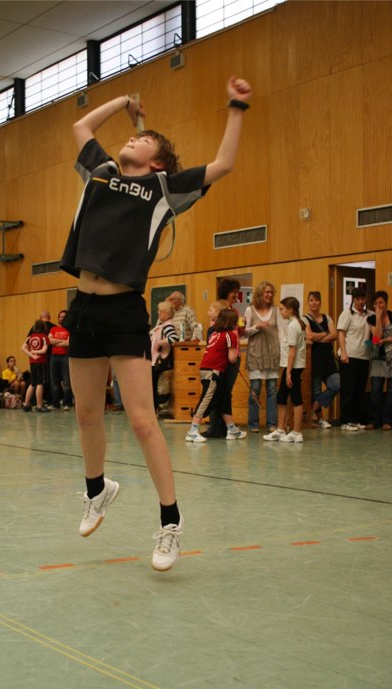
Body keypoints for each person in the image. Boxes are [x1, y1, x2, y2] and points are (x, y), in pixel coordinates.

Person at [59, 75, 252, 572]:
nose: (132, 138)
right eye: (134, 134)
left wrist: (236, 106)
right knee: (86, 413)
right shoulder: (101, 171)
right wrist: (124, 100)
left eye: (142, 139)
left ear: (158, 161)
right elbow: (81, 126)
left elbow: (224, 164)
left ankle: (170, 522)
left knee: (143, 420)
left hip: (123, 310)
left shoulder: (164, 188)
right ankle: (97, 490)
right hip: (83, 307)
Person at [185, 308, 246, 442]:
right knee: (206, 399)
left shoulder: (214, 334)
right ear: (232, 322)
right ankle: (193, 431)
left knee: (223, 398)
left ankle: (231, 429)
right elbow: (232, 359)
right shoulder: (230, 335)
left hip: (206, 369)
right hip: (214, 371)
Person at [263, 297, 307, 443]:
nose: (280, 312)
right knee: (282, 397)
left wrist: (288, 372)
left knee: (296, 398)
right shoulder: (294, 323)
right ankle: (281, 429)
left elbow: (292, 350)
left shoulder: (294, 325)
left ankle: (297, 432)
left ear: (290, 310)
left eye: (282, 309)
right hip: (291, 367)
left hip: (293, 368)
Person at [243, 281, 282, 432]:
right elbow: (245, 332)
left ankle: (272, 423)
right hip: (255, 354)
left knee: (272, 390)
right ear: (260, 293)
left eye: (271, 292)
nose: (269, 295)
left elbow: (281, 332)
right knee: (255, 389)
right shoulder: (250, 310)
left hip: (272, 354)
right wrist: (257, 327)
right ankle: (253, 424)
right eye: (267, 292)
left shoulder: (276, 310)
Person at [303, 291, 340, 428]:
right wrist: (325, 333)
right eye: (311, 300)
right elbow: (309, 336)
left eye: (316, 300)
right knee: (316, 390)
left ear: (320, 302)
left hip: (328, 358)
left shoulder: (327, 317)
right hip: (314, 358)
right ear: (308, 302)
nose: (314, 302)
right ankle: (320, 418)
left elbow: (335, 335)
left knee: (336, 385)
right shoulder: (305, 319)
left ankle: (316, 405)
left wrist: (319, 338)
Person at [336, 287, 371, 431]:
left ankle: (356, 419)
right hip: (349, 356)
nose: (361, 302)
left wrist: (373, 346)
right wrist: (343, 353)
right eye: (358, 299)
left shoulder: (370, 315)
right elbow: (341, 334)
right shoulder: (347, 314)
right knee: (348, 389)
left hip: (364, 356)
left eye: (363, 298)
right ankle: (345, 420)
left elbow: (373, 334)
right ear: (353, 300)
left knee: (359, 389)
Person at [366, 290, 392, 430]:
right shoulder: (371, 319)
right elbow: (376, 338)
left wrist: (388, 340)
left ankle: (387, 421)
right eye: (376, 303)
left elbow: (385, 338)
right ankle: (374, 420)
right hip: (378, 358)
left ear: (386, 303)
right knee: (376, 390)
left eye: (381, 302)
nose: (379, 305)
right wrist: (377, 318)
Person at [150, 300, 179, 413]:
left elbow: (174, 338)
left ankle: (155, 407)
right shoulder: (162, 325)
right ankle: (155, 407)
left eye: (161, 311)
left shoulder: (168, 326)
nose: (158, 313)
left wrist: (160, 343)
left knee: (153, 385)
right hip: (155, 359)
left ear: (167, 314)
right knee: (152, 384)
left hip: (160, 360)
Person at [21, 319, 50, 412]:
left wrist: (32, 354)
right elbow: (44, 350)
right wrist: (36, 352)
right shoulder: (44, 337)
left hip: (32, 363)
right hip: (41, 362)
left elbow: (23, 348)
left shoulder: (30, 337)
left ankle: (26, 404)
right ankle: (39, 405)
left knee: (32, 383)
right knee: (40, 384)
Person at [48, 310, 73, 410]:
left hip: (65, 357)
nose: (61, 318)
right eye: (60, 317)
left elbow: (68, 343)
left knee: (67, 382)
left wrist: (56, 342)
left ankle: (67, 403)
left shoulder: (70, 329)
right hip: (54, 357)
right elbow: (49, 341)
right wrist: (62, 341)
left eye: (64, 316)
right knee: (54, 382)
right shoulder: (53, 329)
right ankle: (55, 404)